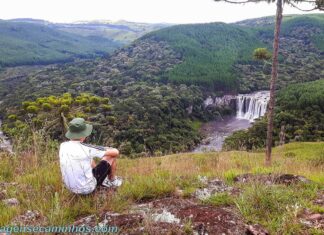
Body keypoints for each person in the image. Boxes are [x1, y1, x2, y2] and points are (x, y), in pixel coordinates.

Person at [59, 118, 122, 194]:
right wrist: (106, 148)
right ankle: (112, 180)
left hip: (70, 188)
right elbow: (116, 152)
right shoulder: (87, 149)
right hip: (87, 189)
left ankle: (102, 179)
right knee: (110, 156)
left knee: (88, 158)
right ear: (84, 134)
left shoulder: (63, 145)